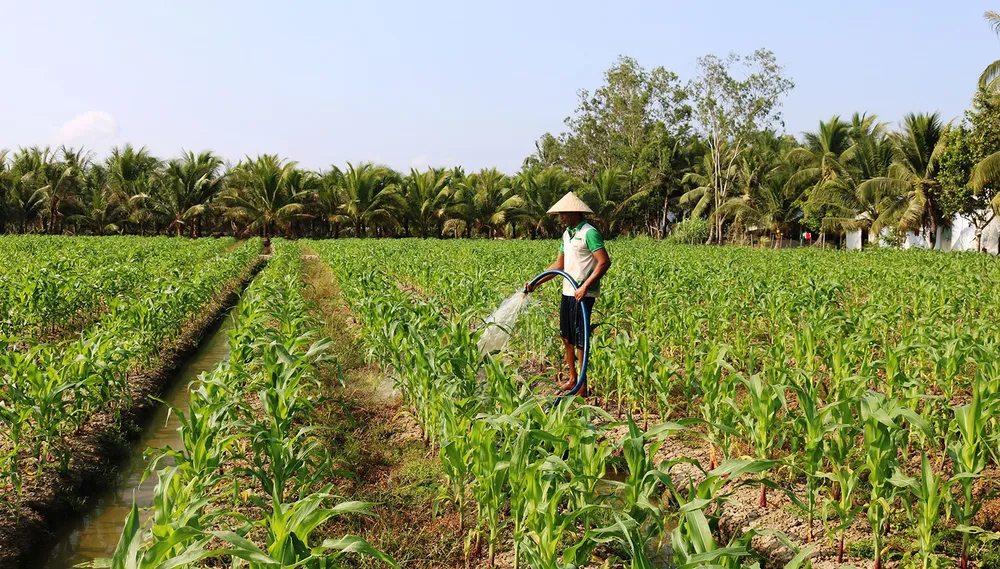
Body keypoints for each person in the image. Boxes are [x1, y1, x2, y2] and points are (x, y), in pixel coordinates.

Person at [524, 192, 611, 396]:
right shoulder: (567, 234)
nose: (561, 217)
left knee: (580, 339)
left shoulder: (589, 233)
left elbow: (604, 262)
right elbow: (559, 265)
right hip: (568, 292)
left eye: (563, 213)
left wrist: (585, 286)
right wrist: (536, 281)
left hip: (583, 294)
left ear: (574, 212)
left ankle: (582, 385)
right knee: (567, 337)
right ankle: (573, 379)